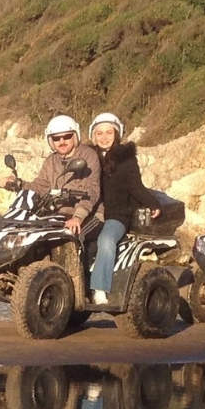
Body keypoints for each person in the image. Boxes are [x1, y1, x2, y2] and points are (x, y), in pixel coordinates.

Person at [86, 113, 147, 306]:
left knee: (106, 240)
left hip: (117, 215)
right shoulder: (89, 157)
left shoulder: (126, 160)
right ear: (93, 135)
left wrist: (153, 204)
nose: (104, 137)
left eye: (109, 132)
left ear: (117, 133)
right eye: (100, 133)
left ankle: (100, 289)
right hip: (93, 214)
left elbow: (136, 187)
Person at [8, 115, 101, 236]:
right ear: (51, 141)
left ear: (75, 136)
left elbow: (92, 189)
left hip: (88, 213)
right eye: (56, 138)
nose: (62, 141)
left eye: (67, 136)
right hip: (57, 214)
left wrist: (78, 217)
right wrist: (18, 184)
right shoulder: (51, 161)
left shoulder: (88, 156)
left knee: (74, 236)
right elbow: (40, 186)